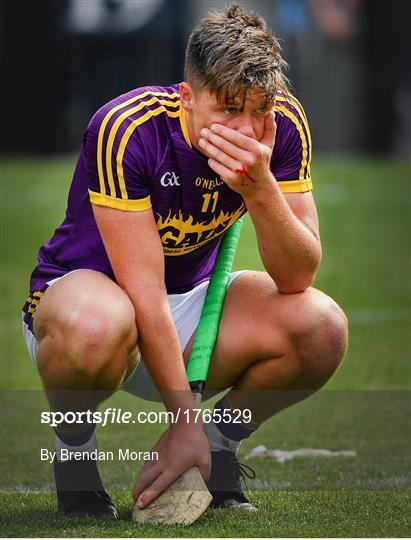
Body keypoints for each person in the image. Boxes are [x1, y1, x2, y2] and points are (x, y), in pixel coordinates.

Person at [22, 3, 348, 518]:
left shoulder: (282, 126)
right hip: (95, 306)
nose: (245, 128)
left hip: (194, 307)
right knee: (95, 325)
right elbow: (144, 292)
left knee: (322, 326)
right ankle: (75, 453)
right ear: (186, 97)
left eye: (259, 108)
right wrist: (183, 417)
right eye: (227, 109)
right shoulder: (127, 128)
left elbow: (297, 275)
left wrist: (260, 190)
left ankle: (217, 451)